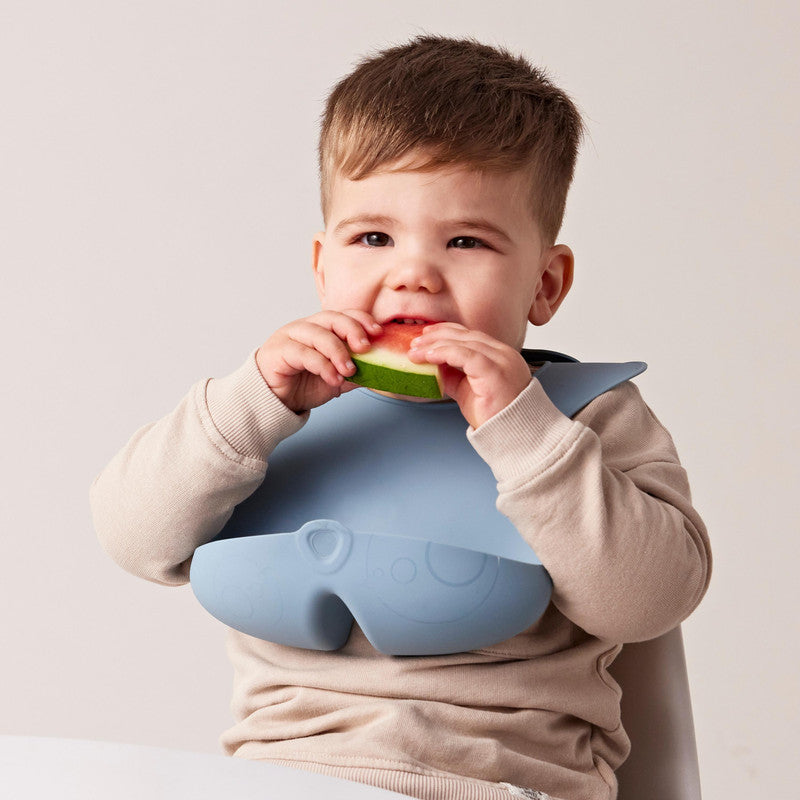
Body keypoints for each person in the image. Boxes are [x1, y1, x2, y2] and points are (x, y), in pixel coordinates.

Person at [90, 34, 711, 800]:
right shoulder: (271, 411)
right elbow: (131, 538)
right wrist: (251, 401)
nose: (413, 273)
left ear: (545, 285)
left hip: (500, 786)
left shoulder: (585, 419)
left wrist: (526, 432)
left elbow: (647, 601)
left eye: (466, 241)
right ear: (323, 265)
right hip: (281, 783)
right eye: (374, 238)